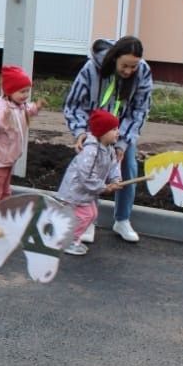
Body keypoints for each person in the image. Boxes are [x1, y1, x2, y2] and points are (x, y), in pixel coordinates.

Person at [62, 36, 153, 244]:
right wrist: (81, 133)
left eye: (133, 66)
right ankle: (86, 220)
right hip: (93, 129)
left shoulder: (143, 71)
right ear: (114, 59)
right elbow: (73, 104)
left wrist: (122, 142)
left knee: (128, 167)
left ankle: (122, 219)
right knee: (90, 169)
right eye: (125, 66)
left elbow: (140, 110)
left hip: (120, 130)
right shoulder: (91, 69)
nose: (129, 71)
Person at [56, 109, 123, 257]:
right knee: (85, 215)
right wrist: (103, 188)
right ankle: (69, 240)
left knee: (92, 214)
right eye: (113, 129)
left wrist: (116, 180)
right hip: (75, 190)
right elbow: (85, 175)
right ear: (102, 132)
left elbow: (113, 167)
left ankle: (71, 238)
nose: (118, 132)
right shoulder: (90, 150)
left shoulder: (109, 149)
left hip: (86, 192)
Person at [0, 65, 40, 210]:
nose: (25, 95)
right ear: (9, 91)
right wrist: (0, 120)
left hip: (7, 159)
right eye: (22, 91)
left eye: (27, 91)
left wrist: (36, 107)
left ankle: (2, 220)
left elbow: (27, 110)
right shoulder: (1, 109)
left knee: (5, 192)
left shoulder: (19, 105)